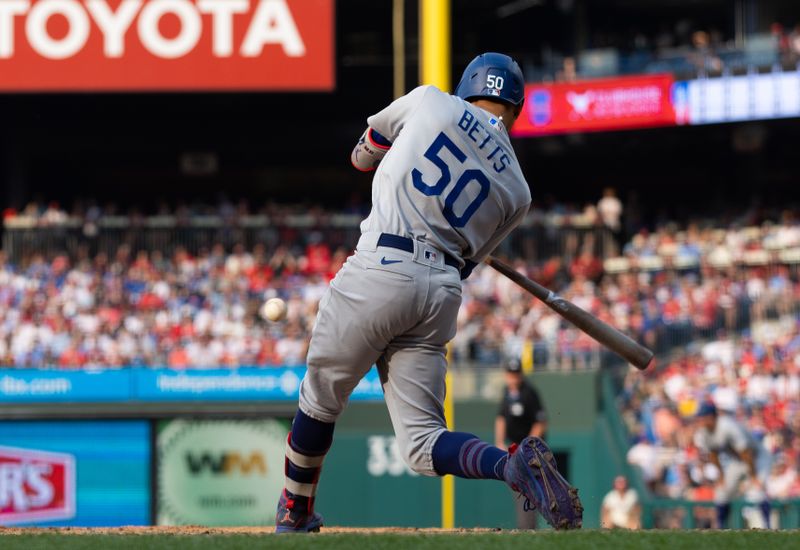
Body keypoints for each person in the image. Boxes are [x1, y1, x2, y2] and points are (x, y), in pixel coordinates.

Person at [275, 52, 582, 532]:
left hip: (381, 265)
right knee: (422, 444)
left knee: (320, 400)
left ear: (468, 87)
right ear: (516, 109)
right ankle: (510, 466)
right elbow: (466, 264)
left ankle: (295, 512)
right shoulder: (518, 192)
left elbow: (363, 155)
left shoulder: (431, 102)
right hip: (438, 291)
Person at [693, 402, 770, 528]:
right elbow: (713, 453)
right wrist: (721, 476)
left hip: (757, 457)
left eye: (703, 416)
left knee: (757, 491)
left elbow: (746, 452)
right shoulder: (704, 431)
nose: (700, 420)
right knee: (722, 492)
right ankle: (721, 528)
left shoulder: (728, 426)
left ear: (711, 417)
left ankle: (767, 527)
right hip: (737, 460)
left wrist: (754, 476)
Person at [495, 358, 548, 528]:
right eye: (511, 374)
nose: (514, 378)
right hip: (514, 448)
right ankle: (526, 528)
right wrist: (499, 441)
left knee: (528, 488)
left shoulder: (529, 393)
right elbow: (501, 418)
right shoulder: (506, 392)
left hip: (529, 450)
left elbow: (540, 422)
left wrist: (527, 446)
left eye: (516, 374)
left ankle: (529, 528)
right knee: (520, 488)